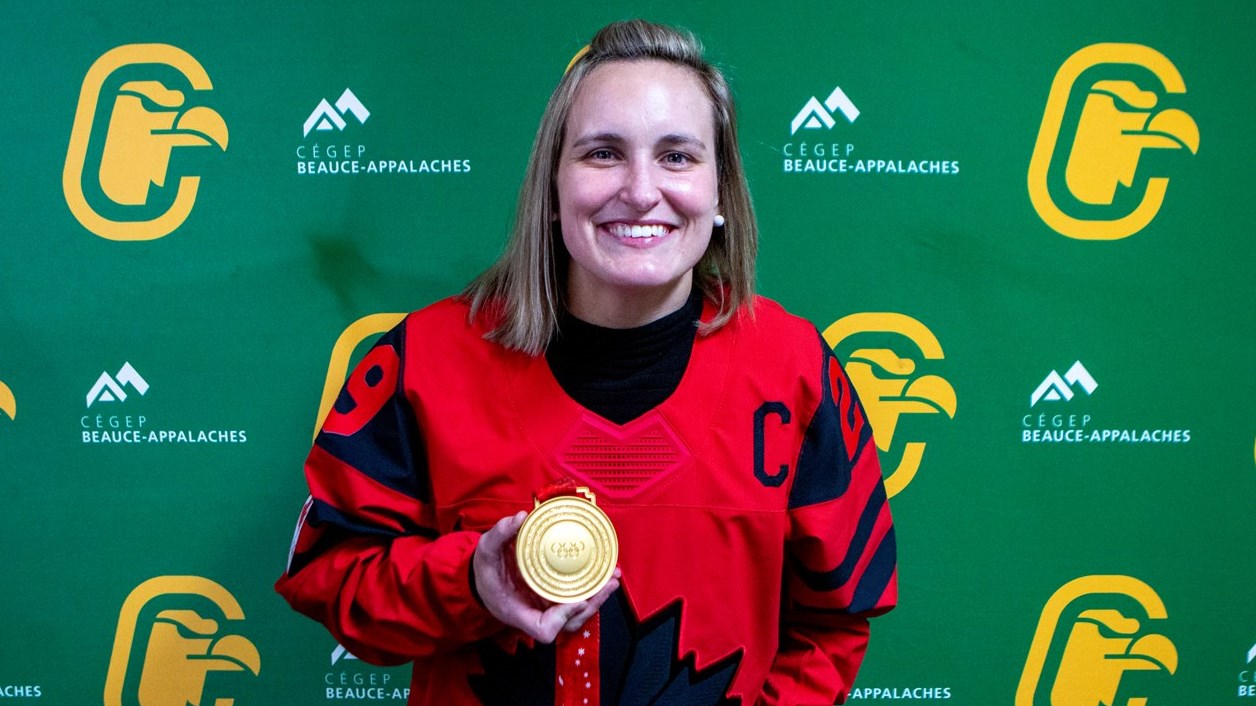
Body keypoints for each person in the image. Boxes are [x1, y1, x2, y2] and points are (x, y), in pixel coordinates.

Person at [277, 19, 896, 706]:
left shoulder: (796, 369)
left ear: (720, 191)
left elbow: (835, 621)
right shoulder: (425, 358)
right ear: (552, 185)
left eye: (678, 157)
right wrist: (469, 583)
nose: (639, 190)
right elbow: (328, 574)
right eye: (603, 153)